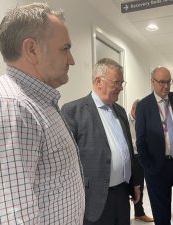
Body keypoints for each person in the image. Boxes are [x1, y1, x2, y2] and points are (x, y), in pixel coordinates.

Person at [0, 3, 85, 225]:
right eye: (65, 48)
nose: (72, 60)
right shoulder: (13, 106)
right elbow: (15, 215)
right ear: (32, 50)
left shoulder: (38, 101)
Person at [61, 58, 140, 225]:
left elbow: (127, 152)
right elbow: (67, 162)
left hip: (122, 193)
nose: (120, 88)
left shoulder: (120, 111)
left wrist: (135, 184)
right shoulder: (73, 111)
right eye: (116, 82)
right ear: (98, 81)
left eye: (121, 82)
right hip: (93, 199)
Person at [136, 66, 173, 225]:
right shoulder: (143, 106)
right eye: (162, 82)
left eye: (169, 82)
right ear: (152, 82)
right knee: (161, 212)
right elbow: (140, 141)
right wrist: (148, 166)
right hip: (157, 167)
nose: (166, 86)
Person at [128, 99, 154, 223]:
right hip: (128, 157)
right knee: (126, 186)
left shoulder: (143, 120)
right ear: (132, 109)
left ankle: (139, 212)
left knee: (139, 185)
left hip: (140, 157)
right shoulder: (124, 120)